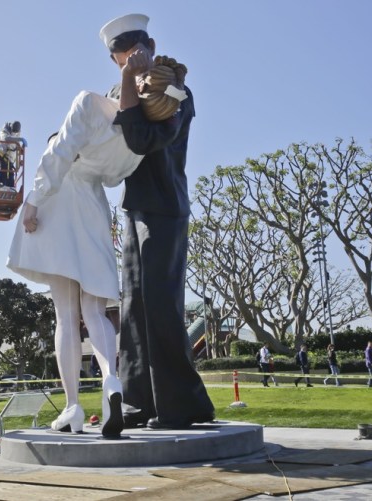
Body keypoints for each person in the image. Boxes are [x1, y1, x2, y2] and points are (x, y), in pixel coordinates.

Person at [100, 13, 215, 429]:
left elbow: (143, 139)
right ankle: (139, 402)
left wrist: (132, 81)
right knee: (132, 307)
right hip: (134, 207)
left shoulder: (172, 85)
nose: (129, 63)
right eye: (123, 58)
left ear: (146, 44)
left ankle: (183, 405)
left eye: (134, 51)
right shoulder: (120, 88)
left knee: (162, 305)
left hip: (165, 205)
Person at [7, 90, 143, 438]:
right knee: (95, 311)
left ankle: (72, 407)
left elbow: (55, 156)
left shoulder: (59, 149)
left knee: (66, 316)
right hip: (93, 211)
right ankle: (110, 380)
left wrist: (33, 203)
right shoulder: (102, 153)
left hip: (57, 212)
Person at [0, 121, 27, 188]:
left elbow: (14, 144)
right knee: (6, 172)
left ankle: (9, 187)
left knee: (10, 173)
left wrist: (21, 146)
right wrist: (20, 139)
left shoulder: (16, 133)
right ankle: (3, 185)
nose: (14, 133)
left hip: (9, 158)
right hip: (1, 155)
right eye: (13, 131)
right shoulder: (3, 132)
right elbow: (7, 139)